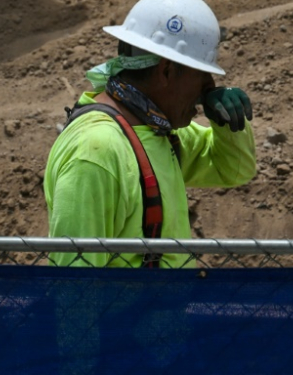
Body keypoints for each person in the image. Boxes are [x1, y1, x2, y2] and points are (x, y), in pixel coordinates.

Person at [44, 0, 256, 269]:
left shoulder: (159, 133)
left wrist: (226, 122)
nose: (209, 88)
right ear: (166, 70)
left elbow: (235, 170)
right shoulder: (96, 152)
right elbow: (75, 291)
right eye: (202, 75)